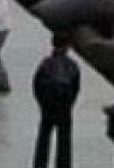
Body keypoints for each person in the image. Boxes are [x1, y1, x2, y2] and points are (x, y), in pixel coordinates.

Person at [33, 32, 81, 168]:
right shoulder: (72, 65)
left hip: (47, 108)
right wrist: (69, 104)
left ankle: (40, 163)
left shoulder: (45, 64)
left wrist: (42, 104)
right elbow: (76, 88)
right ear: (68, 46)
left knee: (43, 138)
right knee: (64, 141)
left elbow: (36, 85)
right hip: (65, 108)